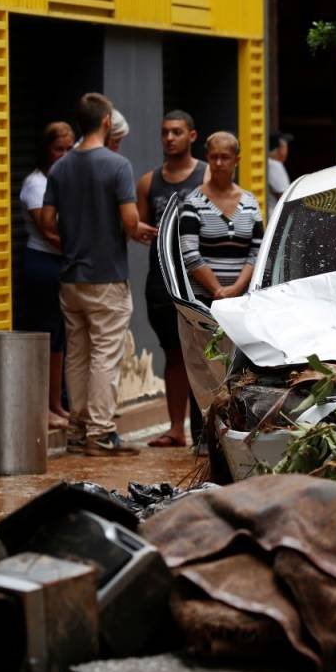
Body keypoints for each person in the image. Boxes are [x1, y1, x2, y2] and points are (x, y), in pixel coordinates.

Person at [39, 92, 158, 456]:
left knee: (77, 353)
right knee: (105, 355)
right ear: (107, 122)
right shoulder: (117, 165)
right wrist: (135, 229)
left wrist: (75, 242)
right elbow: (128, 219)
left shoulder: (60, 168)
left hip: (71, 277)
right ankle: (101, 433)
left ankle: (77, 431)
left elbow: (46, 221)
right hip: (106, 277)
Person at [137, 110, 207, 449]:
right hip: (161, 283)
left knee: (205, 357)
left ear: (191, 136)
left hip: (200, 283)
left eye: (177, 132)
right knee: (174, 355)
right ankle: (176, 429)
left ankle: (206, 429)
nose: (169, 138)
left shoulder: (207, 176)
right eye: (165, 132)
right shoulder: (149, 182)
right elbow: (140, 226)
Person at [19, 121, 75, 430]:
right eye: (58, 149)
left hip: (62, 264)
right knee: (44, 336)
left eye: (69, 149)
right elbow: (50, 231)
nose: (64, 155)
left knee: (58, 340)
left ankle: (55, 404)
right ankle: (41, 406)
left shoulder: (61, 181)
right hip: (42, 264)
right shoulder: (36, 184)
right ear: (45, 149)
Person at [179, 131, 263, 305]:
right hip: (202, 301)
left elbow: (257, 252)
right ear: (207, 158)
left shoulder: (250, 202)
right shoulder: (193, 202)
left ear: (236, 160)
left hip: (241, 300)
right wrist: (219, 291)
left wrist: (237, 288)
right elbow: (189, 253)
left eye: (225, 157)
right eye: (214, 157)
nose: (218, 163)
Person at [266, 131, 292, 216]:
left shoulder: (268, 163)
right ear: (281, 149)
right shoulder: (275, 165)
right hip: (275, 217)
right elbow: (284, 197)